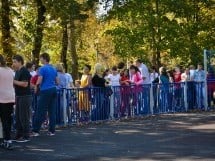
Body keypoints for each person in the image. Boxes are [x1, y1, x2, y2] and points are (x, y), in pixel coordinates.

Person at [32, 53, 58, 136]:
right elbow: (57, 81)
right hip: (53, 89)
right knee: (52, 111)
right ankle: (52, 131)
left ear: (44, 59)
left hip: (45, 90)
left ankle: (35, 131)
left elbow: (40, 79)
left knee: (40, 111)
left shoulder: (42, 69)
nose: (40, 60)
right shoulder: (54, 69)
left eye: (41, 58)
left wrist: (36, 86)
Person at [13, 54, 32, 142]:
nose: (13, 64)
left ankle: (26, 136)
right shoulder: (17, 71)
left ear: (20, 62)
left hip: (25, 96)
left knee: (24, 117)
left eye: (15, 62)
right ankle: (19, 134)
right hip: (19, 96)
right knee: (18, 117)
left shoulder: (24, 71)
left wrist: (13, 81)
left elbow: (25, 84)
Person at [0, 54, 15, 150]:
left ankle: (7, 141)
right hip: (10, 97)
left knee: (4, 121)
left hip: (2, 98)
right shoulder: (10, 70)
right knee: (7, 120)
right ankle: (7, 140)